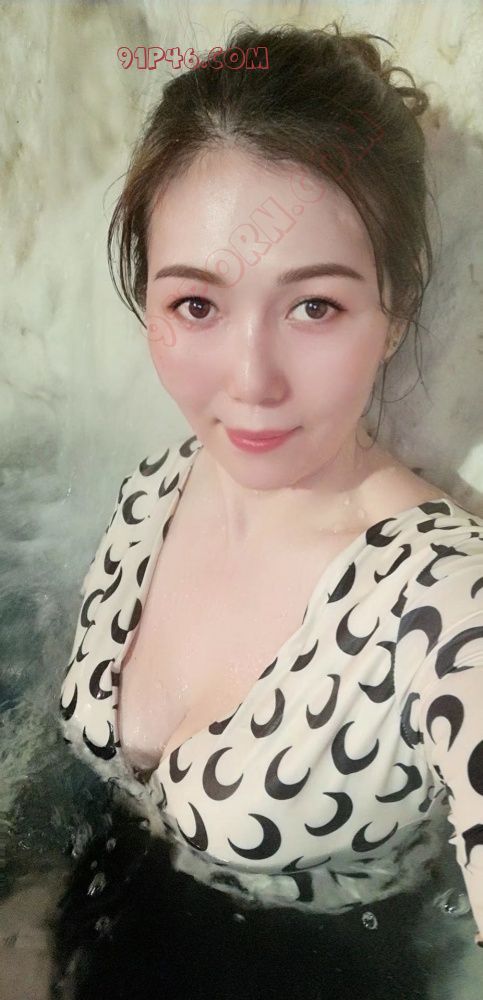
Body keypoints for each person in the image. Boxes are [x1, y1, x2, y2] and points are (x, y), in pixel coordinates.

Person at [55, 19, 483, 997]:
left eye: (314, 306)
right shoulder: (157, 486)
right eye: (196, 305)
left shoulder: (444, 600)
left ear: (396, 308)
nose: (251, 383)